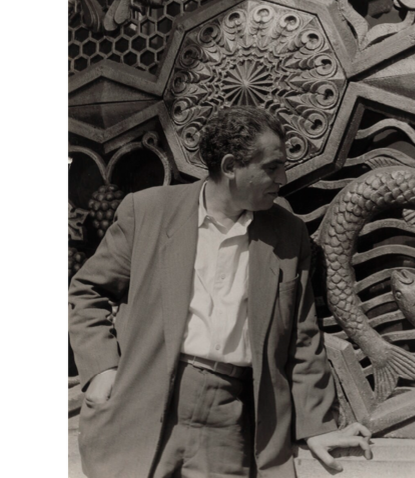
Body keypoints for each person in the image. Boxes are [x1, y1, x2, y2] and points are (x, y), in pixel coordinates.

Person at [66, 106, 373, 478]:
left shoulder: (288, 233)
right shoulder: (147, 211)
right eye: (272, 167)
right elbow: (87, 290)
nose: (283, 178)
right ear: (230, 166)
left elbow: (302, 338)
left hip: (228, 418)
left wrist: (318, 426)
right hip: (139, 407)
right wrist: (101, 369)